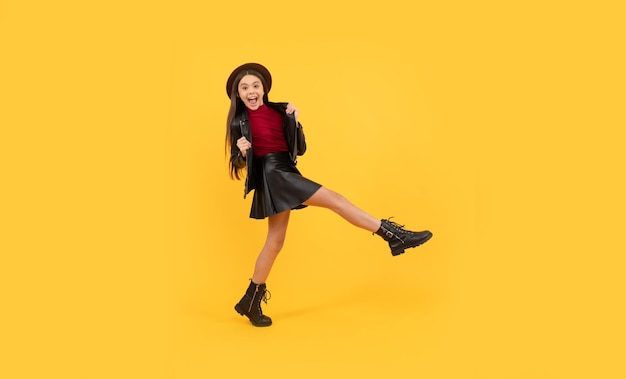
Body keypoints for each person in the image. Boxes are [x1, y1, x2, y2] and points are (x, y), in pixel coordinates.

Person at [225, 63, 433, 327]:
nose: (251, 91)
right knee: (336, 200)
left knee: (275, 242)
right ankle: (394, 236)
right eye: (244, 88)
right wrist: (242, 152)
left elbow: (299, 150)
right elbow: (238, 163)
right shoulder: (239, 122)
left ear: (264, 89)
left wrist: (295, 122)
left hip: (286, 170)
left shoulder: (281, 111)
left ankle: (250, 300)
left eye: (255, 86)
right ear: (238, 95)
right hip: (273, 175)